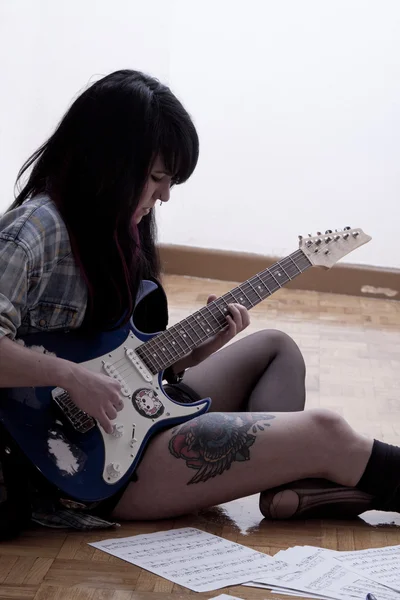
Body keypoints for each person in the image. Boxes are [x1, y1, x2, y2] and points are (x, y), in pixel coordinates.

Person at [0, 69, 398, 537]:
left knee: (275, 347)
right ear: (108, 163)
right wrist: (70, 378)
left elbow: (115, 358)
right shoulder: (32, 232)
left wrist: (191, 354)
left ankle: (302, 486)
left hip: (134, 411)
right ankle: (315, 473)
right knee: (327, 431)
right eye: (155, 178)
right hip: (89, 465)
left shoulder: (116, 230)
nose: (164, 195)